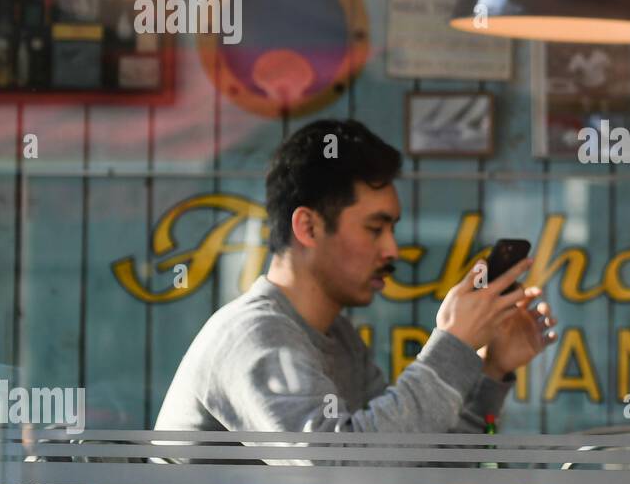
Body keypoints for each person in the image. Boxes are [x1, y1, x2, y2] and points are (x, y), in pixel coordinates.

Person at [154, 119, 556, 445]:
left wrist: (491, 369)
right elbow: (340, 473)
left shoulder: (340, 338)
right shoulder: (255, 335)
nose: (392, 250)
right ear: (308, 226)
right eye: (374, 228)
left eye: (392, 229)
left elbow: (416, 476)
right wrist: (452, 343)